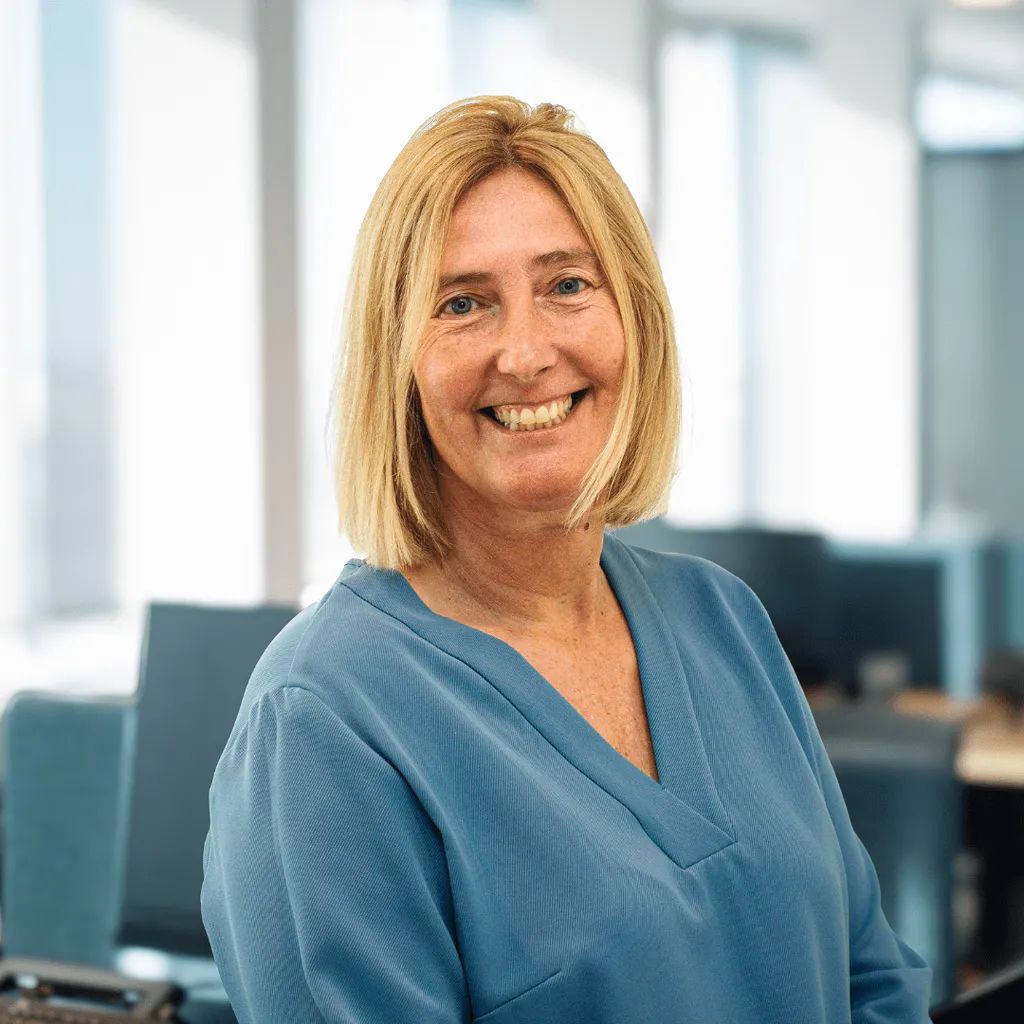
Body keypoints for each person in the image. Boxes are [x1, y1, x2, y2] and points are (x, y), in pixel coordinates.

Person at [201, 96, 932, 1023]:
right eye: (463, 303)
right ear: (398, 364)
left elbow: (873, 976)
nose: (525, 351)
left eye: (567, 286)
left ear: (635, 321)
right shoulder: (322, 721)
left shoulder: (723, 620)